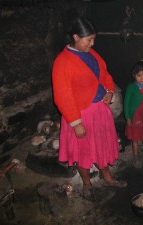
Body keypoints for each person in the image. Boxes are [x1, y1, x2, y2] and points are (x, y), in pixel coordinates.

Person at [52, 16, 127, 202]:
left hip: (100, 110)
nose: (92, 44)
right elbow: (62, 96)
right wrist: (76, 123)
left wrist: (109, 90)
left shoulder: (92, 55)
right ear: (76, 37)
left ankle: (107, 177)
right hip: (80, 115)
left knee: (101, 146)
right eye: (89, 40)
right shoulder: (62, 62)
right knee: (83, 152)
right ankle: (87, 184)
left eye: (93, 39)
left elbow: (105, 75)